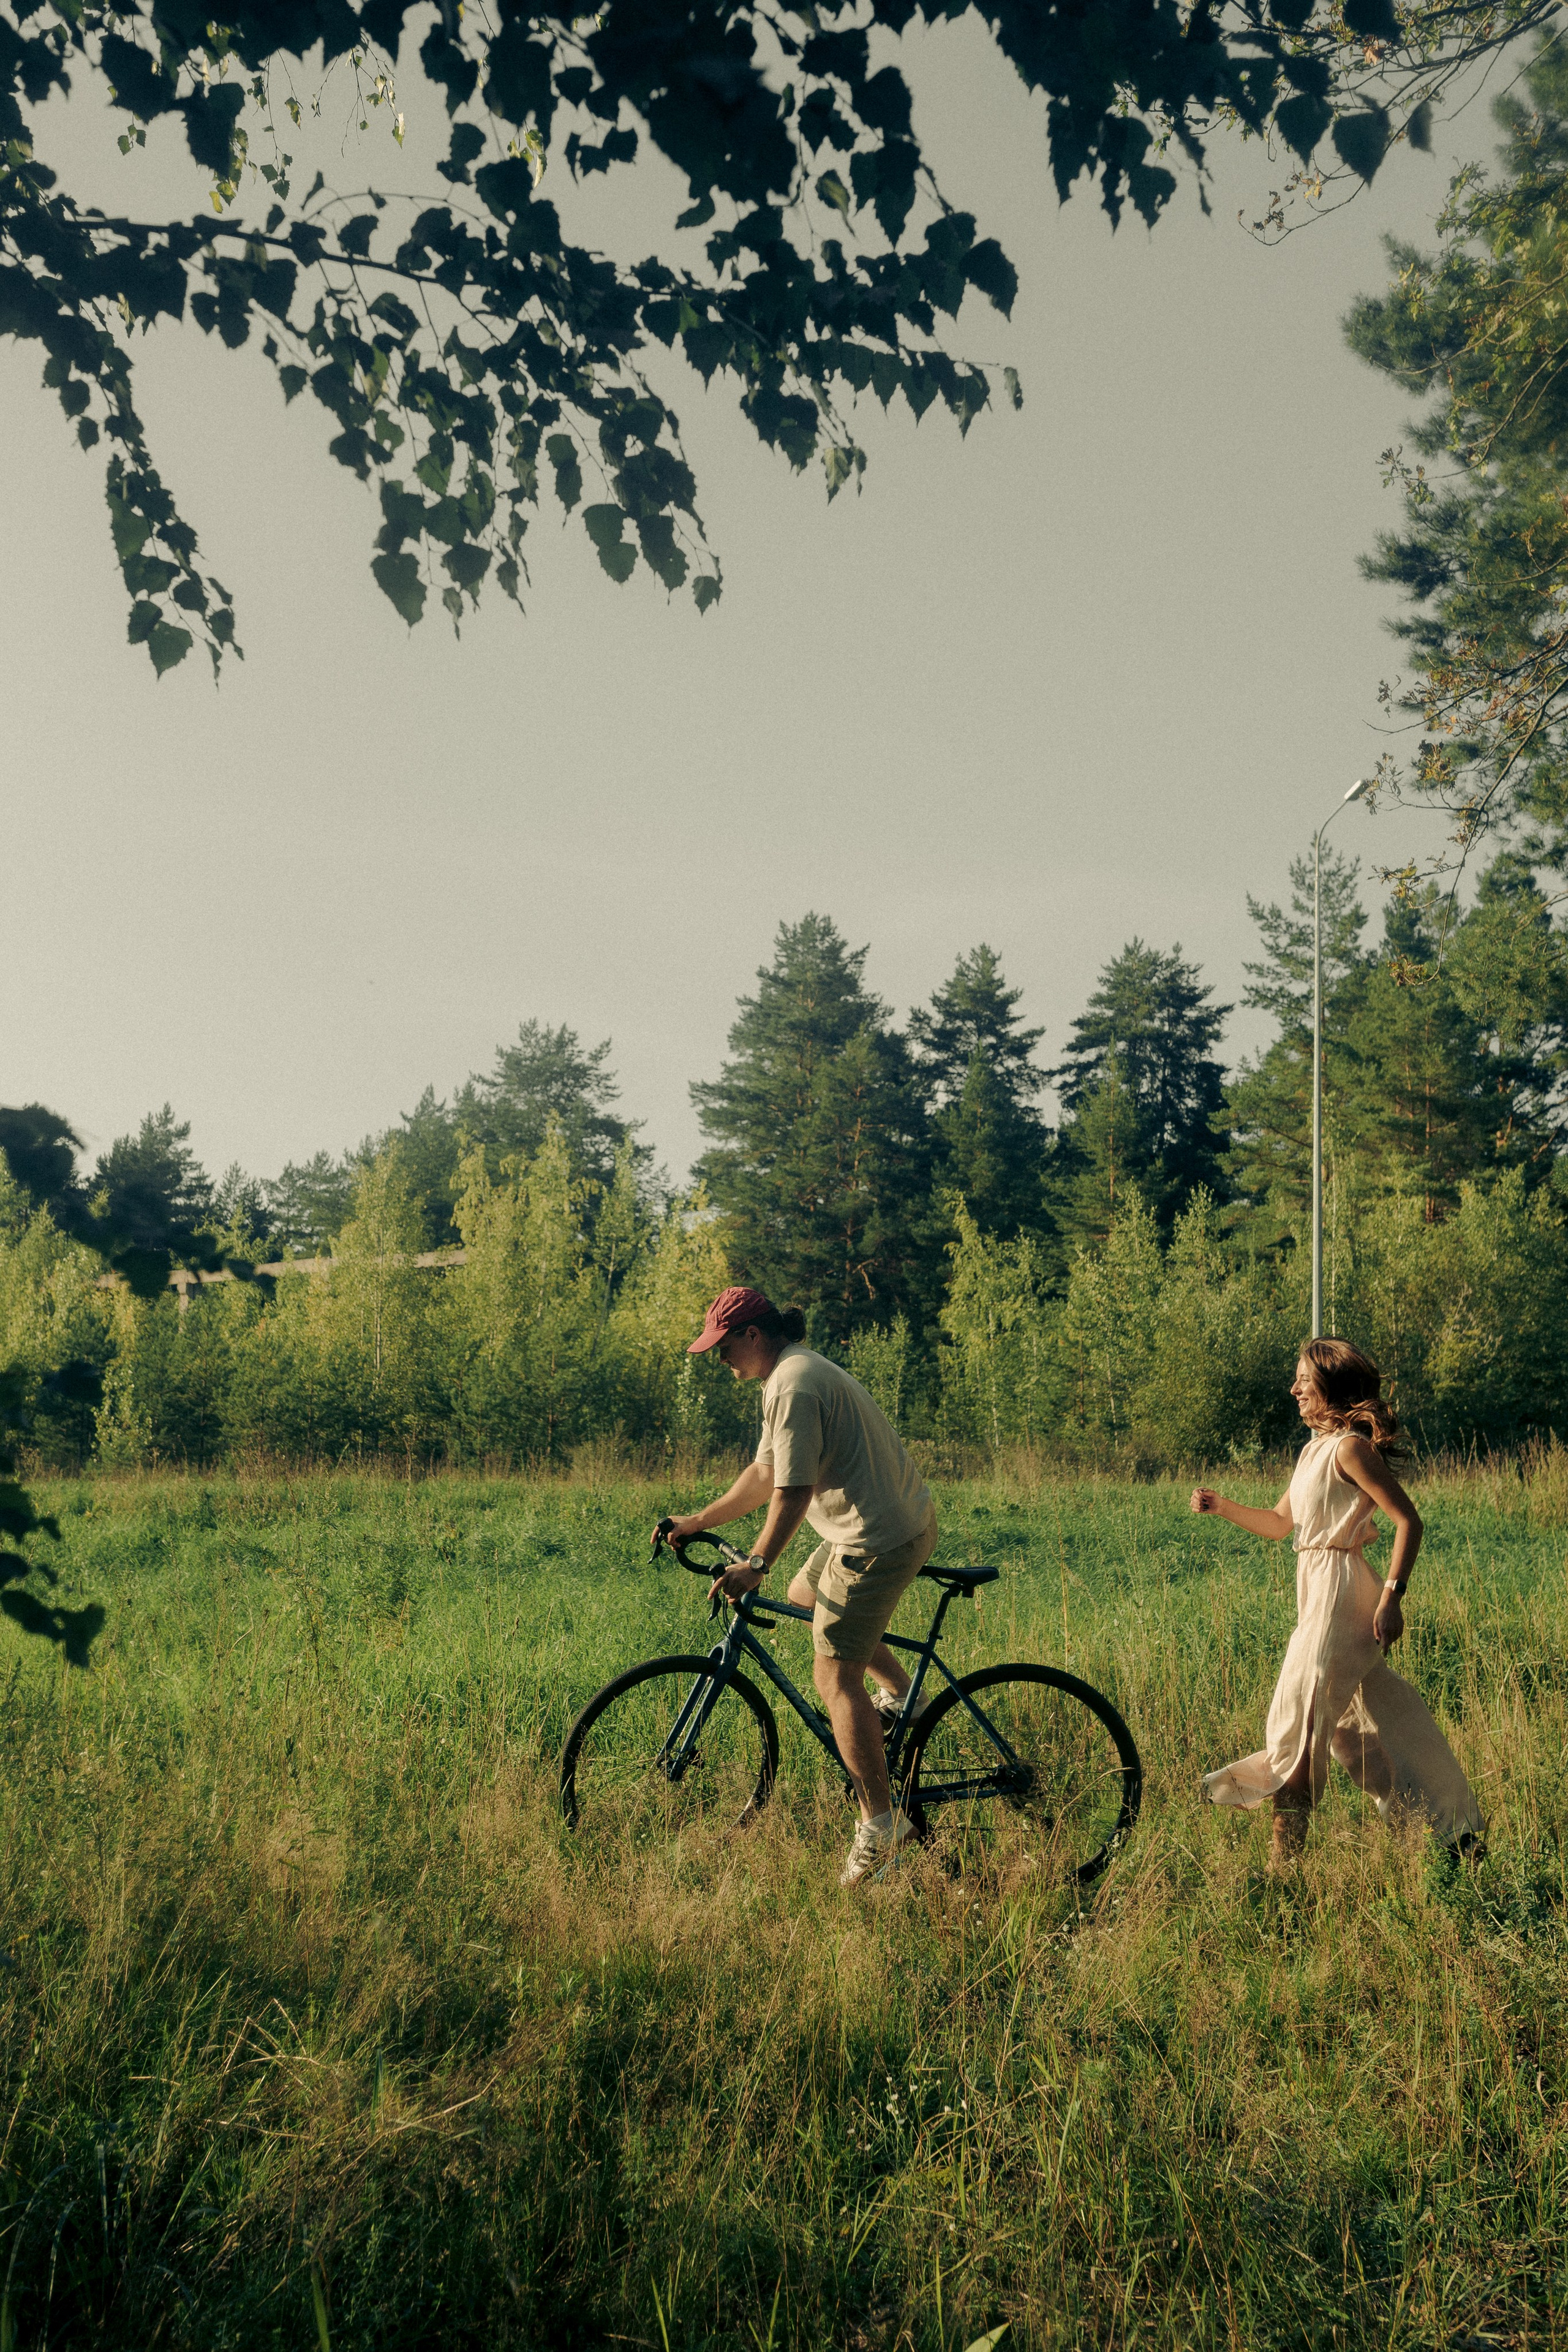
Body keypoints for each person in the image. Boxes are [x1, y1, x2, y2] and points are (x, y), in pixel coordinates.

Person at [660, 1286, 940, 1887]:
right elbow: (765, 1475)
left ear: (754, 1336)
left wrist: (754, 1563)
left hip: (876, 1538)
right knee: (804, 1597)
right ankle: (903, 1695)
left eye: (724, 1346)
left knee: (833, 1677)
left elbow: (792, 1493)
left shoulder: (795, 1383)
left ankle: (881, 1828)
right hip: (866, 1528)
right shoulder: (785, 1376)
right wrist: (696, 1521)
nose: (720, 1359)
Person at [1193, 1337, 1483, 1866]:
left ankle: (1285, 1876)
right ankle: (1454, 1838)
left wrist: (1392, 1597)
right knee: (1368, 1723)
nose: (1294, 1389)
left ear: (1330, 1385)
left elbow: (1407, 1522)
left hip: (1340, 1592)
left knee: (1300, 1729)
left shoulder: (1351, 1447)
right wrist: (1222, 1506)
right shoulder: (1312, 1451)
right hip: (1318, 1591)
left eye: (1304, 1379)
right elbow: (1282, 1525)